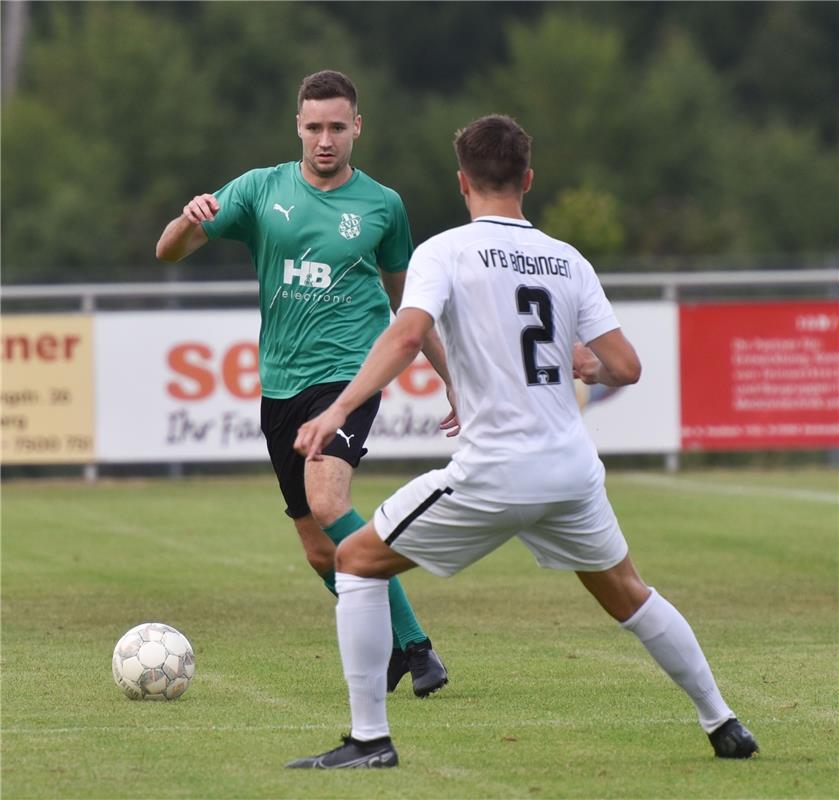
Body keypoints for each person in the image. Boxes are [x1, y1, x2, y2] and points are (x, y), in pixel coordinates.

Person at [287, 114, 760, 768]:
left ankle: (369, 739)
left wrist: (335, 407)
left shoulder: (444, 251)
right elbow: (625, 366)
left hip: (494, 470)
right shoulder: (566, 259)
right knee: (627, 590)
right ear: (527, 179)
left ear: (461, 182)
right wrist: (586, 364)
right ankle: (723, 722)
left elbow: (404, 334)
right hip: (570, 473)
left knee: (357, 562)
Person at [155, 70, 455, 698]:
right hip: (281, 383)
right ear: (298, 125)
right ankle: (401, 643)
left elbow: (412, 308)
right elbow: (169, 252)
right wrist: (188, 220)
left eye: (337, 127)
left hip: (349, 374)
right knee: (320, 550)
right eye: (314, 127)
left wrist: (454, 380)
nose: (325, 139)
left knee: (327, 499)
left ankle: (421, 649)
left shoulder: (383, 205)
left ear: (357, 128)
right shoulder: (260, 190)